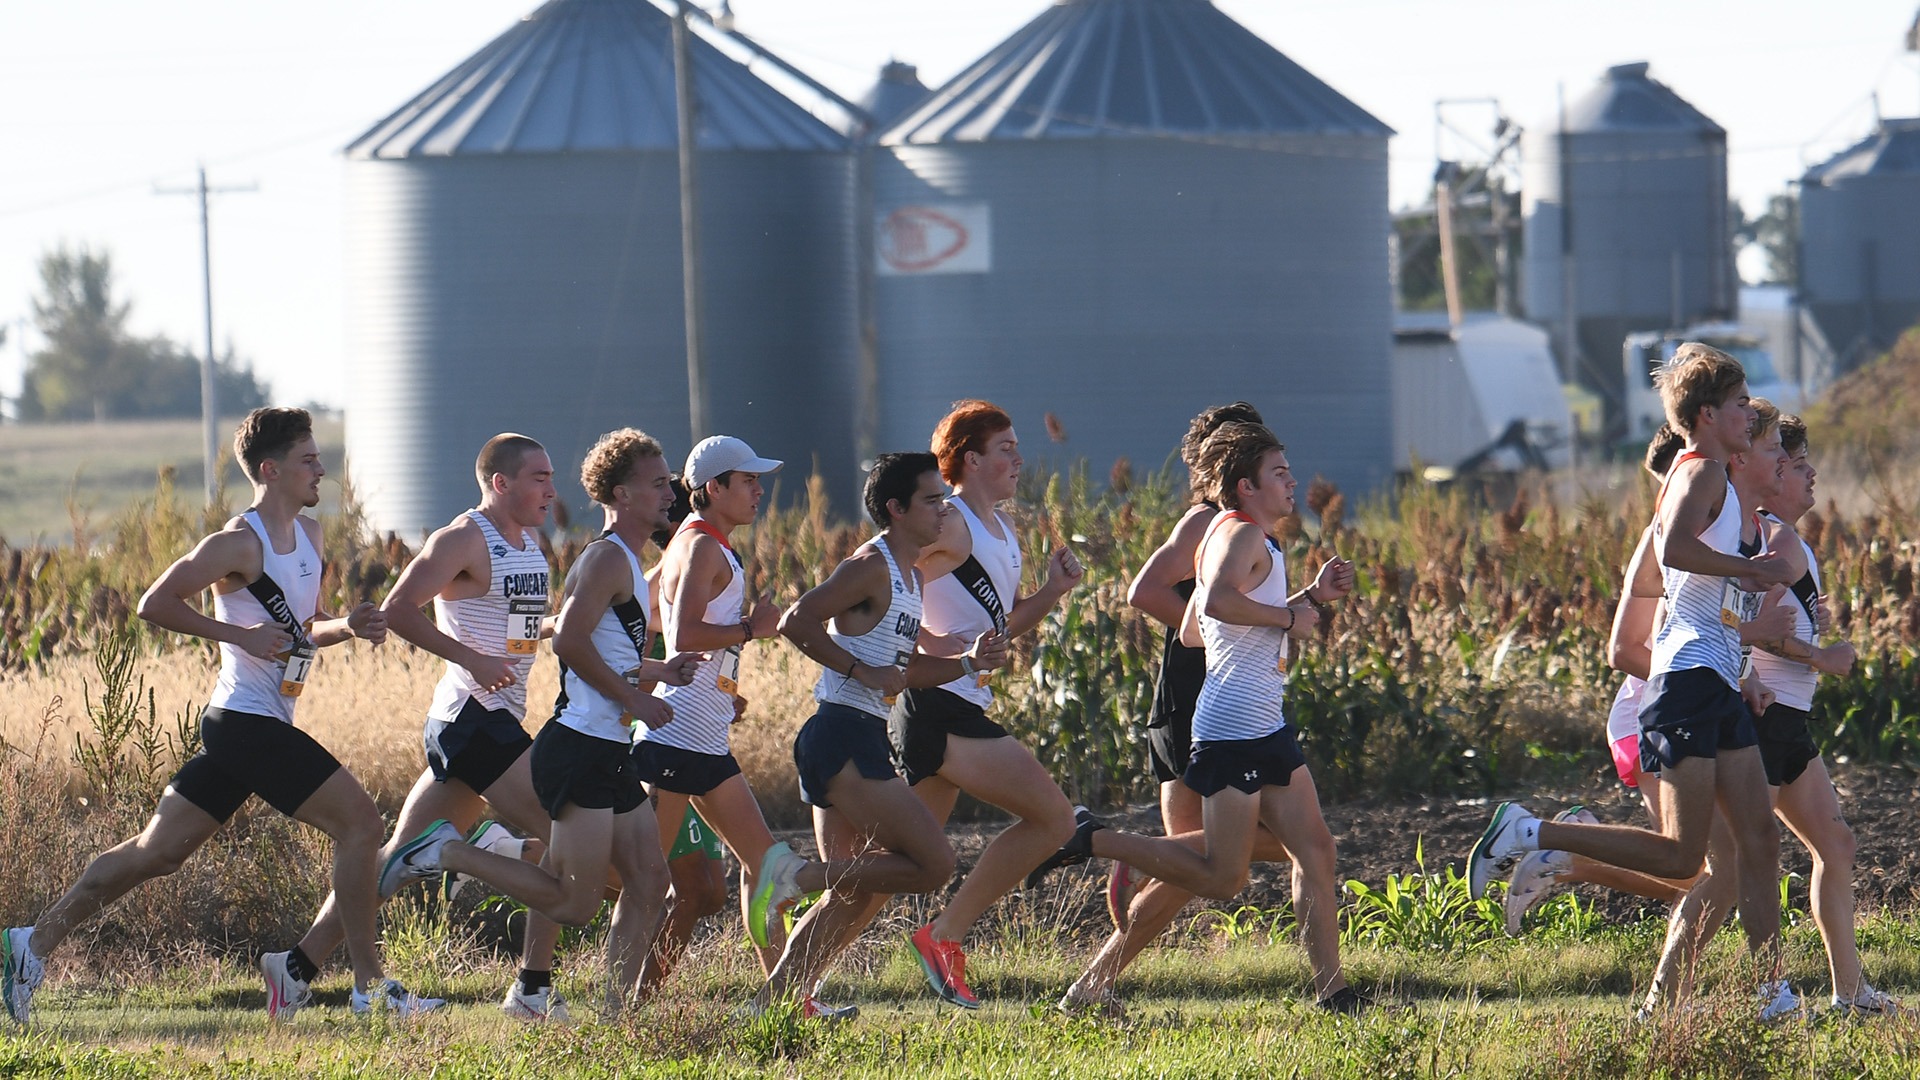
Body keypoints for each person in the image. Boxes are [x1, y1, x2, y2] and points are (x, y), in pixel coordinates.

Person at [3, 408, 434, 1024]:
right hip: (242, 720)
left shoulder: (310, 538)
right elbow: (155, 603)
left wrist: (350, 625)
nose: (320, 471)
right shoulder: (238, 542)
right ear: (271, 469)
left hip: (262, 725)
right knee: (363, 825)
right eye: (308, 461)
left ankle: (30, 944)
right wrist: (235, 633)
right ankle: (371, 990)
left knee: (158, 852)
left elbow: (302, 630)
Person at [1468, 344, 1802, 1019]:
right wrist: (1754, 573)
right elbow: (1675, 549)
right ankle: (1533, 833)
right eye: (1739, 405)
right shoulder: (1701, 470)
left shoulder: (1718, 479)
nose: (1749, 414)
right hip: (1683, 682)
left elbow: (1697, 586)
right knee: (1683, 859)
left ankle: (1773, 993)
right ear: (1708, 415)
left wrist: (1745, 643)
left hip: (1713, 675)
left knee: (1759, 840)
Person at [1037, 421, 1367, 1014]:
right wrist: (1289, 622)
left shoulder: (1238, 535)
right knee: (1220, 876)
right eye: (1280, 474)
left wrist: (1309, 599)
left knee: (1315, 850)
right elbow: (1213, 604)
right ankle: (1094, 838)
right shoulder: (1239, 536)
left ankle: (1334, 994)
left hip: (1263, 723)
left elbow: (1195, 627)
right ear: (1245, 486)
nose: (1293, 482)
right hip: (1232, 729)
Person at [381, 427, 703, 1013]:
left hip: (603, 745)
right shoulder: (607, 557)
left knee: (649, 881)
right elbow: (572, 646)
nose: (670, 493)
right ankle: (453, 855)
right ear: (623, 495)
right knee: (576, 901)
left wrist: (657, 671)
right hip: (574, 745)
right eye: (657, 484)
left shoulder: (619, 559)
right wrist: (635, 701)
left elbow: (595, 651)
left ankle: (615, 1019)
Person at [259, 433, 568, 1021]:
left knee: (394, 860)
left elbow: (519, 627)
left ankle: (296, 966)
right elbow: (400, 608)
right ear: (500, 483)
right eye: (538, 477)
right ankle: (531, 988)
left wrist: (572, 625)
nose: (551, 488)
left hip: (493, 719)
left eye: (551, 477)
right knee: (563, 830)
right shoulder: (464, 537)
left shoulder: (530, 542)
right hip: (471, 721)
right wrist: (471, 659)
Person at [749, 452, 1007, 1018]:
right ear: (896, 508)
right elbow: (797, 620)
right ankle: (794, 873)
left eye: (945, 498)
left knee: (851, 893)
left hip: (849, 734)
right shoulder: (871, 565)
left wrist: (967, 663)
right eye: (932, 500)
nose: (945, 509)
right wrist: (857, 670)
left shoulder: (912, 575)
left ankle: (773, 1008)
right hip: (843, 735)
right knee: (934, 864)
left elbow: (904, 669)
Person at [893, 400, 1085, 1009]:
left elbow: (1002, 625)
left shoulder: (1001, 531)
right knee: (1054, 819)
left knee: (889, 868)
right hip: (938, 703)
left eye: (1018, 447)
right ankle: (944, 936)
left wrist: (1053, 592)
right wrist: (928, 639)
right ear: (971, 460)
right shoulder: (949, 522)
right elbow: (885, 576)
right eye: (1005, 449)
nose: (1019, 459)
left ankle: (793, 963)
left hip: (954, 701)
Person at [630, 435, 822, 993]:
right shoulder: (701, 547)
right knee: (637, 885)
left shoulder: (702, 543)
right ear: (713, 488)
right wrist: (749, 629)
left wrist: (721, 684)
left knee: (766, 869)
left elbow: (661, 624)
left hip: (705, 739)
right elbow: (684, 632)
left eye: (759, 480)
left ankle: (787, 998)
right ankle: (612, 1007)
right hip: (673, 739)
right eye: (748, 481)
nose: (759, 491)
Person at [1748, 416, 1895, 1014]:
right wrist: (1823, 656)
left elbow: (1770, 618)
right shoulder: (1780, 540)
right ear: (1773, 474)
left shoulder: (1782, 540)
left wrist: (1810, 622)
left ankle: (1850, 992)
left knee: (1835, 845)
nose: (1811, 475)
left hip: (1786, 724)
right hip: (1766, 721)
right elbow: (1750, 629)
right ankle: (1753, 994)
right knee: (1721, 869)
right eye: (1797, 464)